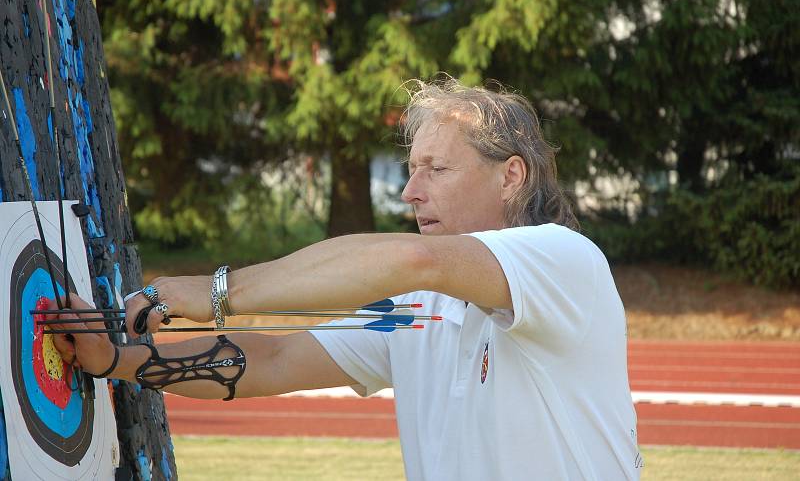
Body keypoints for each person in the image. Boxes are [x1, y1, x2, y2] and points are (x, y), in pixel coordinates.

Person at [53, 78, 641, 480]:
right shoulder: (422, 303)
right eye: (412, 171)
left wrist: (219, 292)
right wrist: (116, 361)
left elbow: (413, 259)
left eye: (436, 169)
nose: (412, 192)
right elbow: (274, 362)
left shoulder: (564, 259)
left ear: (511, 176)